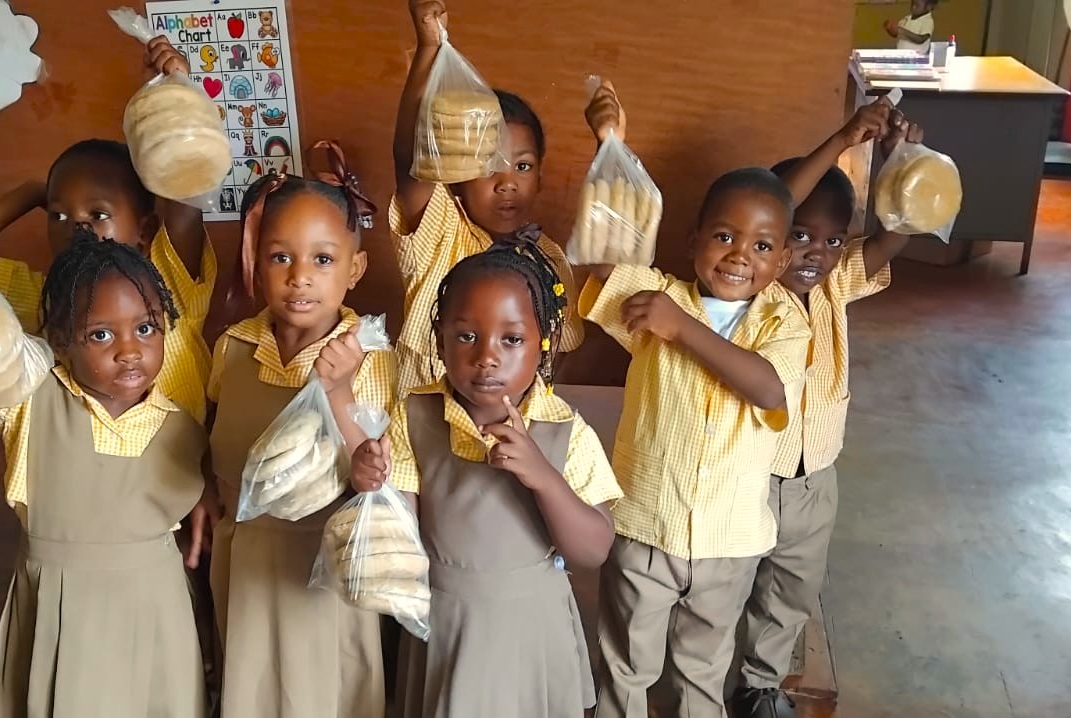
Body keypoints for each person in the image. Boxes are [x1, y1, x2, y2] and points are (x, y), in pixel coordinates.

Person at [578, 84, 811, 718]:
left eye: (763, 246)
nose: (741, 254)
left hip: (729, 541)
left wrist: (682, 330)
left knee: (702, 671)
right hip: (645, 524)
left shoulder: (784, 321)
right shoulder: (655, 293)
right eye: (725, 236)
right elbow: (602, 256)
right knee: (624, 662)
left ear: (783, 259)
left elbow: (767, 387)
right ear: (692, 242)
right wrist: (611, 149)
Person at [345, 242, 621, 716]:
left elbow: (594, 550)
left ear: (544, 342)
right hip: (448, 621)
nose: (487, 358)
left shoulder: (564, 429)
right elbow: (402, 534)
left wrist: (543, 477)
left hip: (530, 628)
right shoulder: (416, 416)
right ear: (439, 340)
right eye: (467, 337)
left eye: (511, 340)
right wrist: (369, 479)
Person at [0, 229, 212, 718]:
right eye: (100, 334)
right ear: (60, 341)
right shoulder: (28, 401)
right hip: (61, 610)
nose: (129, 350)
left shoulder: (182, 422)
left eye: (146, 328)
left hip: (153, 611)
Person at [732, 102, 918, 718]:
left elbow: (899, 230)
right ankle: (709, 678)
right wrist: (840, 140)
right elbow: (770, 205)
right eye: (799, 235)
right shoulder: (750, 287)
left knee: (790, 591)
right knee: (728, 584)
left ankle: (758, 687)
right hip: (747, 476)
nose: (814, 252)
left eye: (833, 239)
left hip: (816, 482)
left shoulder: (836, 284)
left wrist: (899, 163)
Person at [0, 37, 213, 427]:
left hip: (176, 479)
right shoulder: (45, 293)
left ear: (144, 230)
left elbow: (184, 190)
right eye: (58, 215)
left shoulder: (167, 280)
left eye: (97, 213)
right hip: (84, 477)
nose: (77, 226)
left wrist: (172, 94)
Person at [206, 141, 396, 718]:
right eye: (280, 258)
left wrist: (338, 391)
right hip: (246, 558)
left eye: (322, 260)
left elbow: (373, 467)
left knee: (325, 694)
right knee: (253, 689)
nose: (299, 278)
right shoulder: (234, 347)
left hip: (325, 566)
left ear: (355, 268)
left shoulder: (371, 355)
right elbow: (212, 436)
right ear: (256, 264)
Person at [388, 0, 585, 393]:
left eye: (523, 166)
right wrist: (428, 47)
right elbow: (411, 157)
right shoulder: (441, 229)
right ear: (457, 173)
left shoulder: (548, 259)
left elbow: (558, 355)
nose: (507, 182)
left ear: (541, 176)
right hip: (425, 428)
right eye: (488, 165)